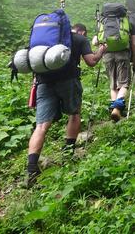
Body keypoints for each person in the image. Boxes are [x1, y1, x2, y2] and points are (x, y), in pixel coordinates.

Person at [26, 23, 106, 188]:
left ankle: (31, 171)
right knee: (74, 114)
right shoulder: (79, 38)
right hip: (69, 81)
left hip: (43, 83)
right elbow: (91, 61)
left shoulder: (44, 42)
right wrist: (101, 52)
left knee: (41, 126)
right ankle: (68, 154)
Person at [101, 11, 135, 122]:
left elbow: (95, 41)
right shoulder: (127, 22)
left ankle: (114, 108)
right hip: (123, 54)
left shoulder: (103, 22)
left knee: (113, 84)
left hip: (107, 55)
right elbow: (134, 43)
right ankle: (117, 108)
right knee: (124, 83)